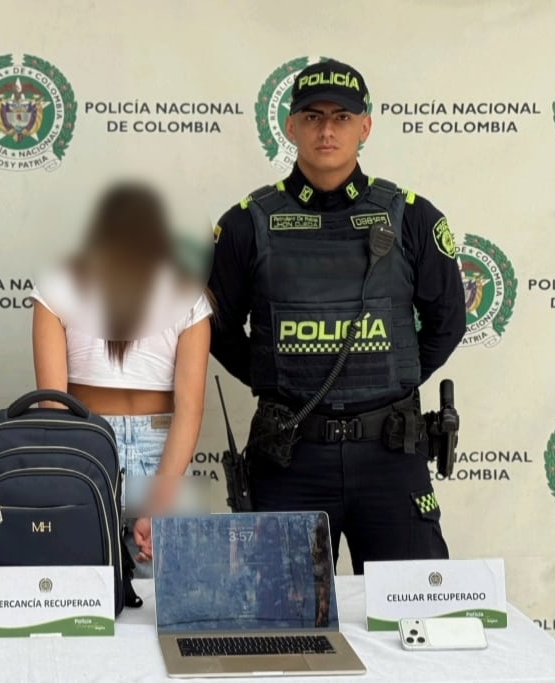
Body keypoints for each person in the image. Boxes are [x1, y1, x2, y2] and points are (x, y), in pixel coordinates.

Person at [208, 59, 466, 573]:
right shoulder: (244, 224)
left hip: (390, 454)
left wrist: (393, 381)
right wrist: (274, 377)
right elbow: (216, 326)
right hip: (289, 457)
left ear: (365, 126)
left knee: (410, 611)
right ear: (290, 126)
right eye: (313, 116)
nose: (327, 130)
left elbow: (447, 322)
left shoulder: (412, 217)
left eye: (342, 117)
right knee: (281, 615)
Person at [31, 183, 212, 578]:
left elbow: (53, 407)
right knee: (166, 603)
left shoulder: (56, 289)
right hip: (163, 453)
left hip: (86, 448)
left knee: (82, 598)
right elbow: (190, 410)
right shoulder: (188, 295)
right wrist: (162, 498)